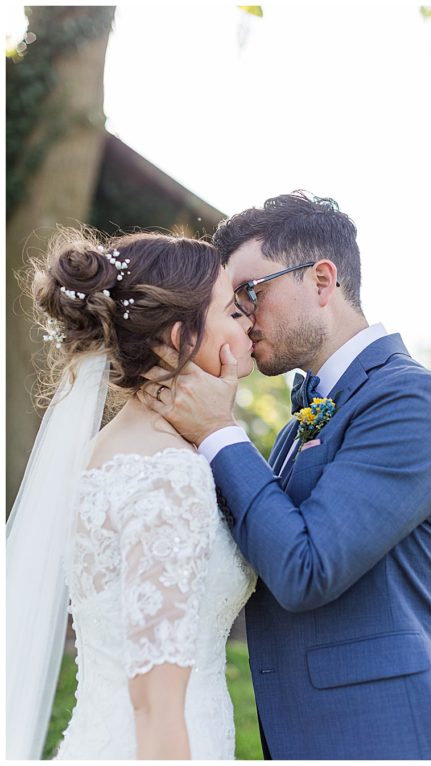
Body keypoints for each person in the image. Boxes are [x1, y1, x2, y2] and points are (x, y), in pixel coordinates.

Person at [140, 192, 431, 760]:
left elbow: (307, 568)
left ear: (322, 281)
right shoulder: (304, 416)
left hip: (388, 734)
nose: (243, 317)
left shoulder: (410, 400)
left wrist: (219, 433)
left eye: (251, 292)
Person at [8, 229, 258, 759]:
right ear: (177, 337)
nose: (250, 321)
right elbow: (156, 704)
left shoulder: (111, 449)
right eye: (232, 312)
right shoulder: (169, 474)